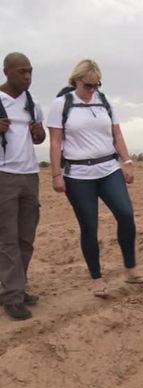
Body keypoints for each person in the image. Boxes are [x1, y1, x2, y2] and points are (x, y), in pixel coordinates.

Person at [47, 59, 143, 298]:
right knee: (89, 226)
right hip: (79, 176)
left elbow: (117, 134)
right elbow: (55, 142)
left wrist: (127, 161)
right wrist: (55, 175)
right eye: (88, 85)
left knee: (125, 214)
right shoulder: (61, 104)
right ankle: (97, 278)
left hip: (108, 170)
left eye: (96, 85)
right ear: (76, 81)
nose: (92, 89)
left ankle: (130, 268)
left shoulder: (104, 101)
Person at [0, 52, 45, 320]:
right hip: (4, 176)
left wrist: (39, 134)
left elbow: (38, 138)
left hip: (30, 175)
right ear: (6, 72)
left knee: (25, 238)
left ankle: (14, 286)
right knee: (7, 239)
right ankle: (13, 296)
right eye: (21, 72)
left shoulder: (33, 103)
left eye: (30, 71)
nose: (27, 77)